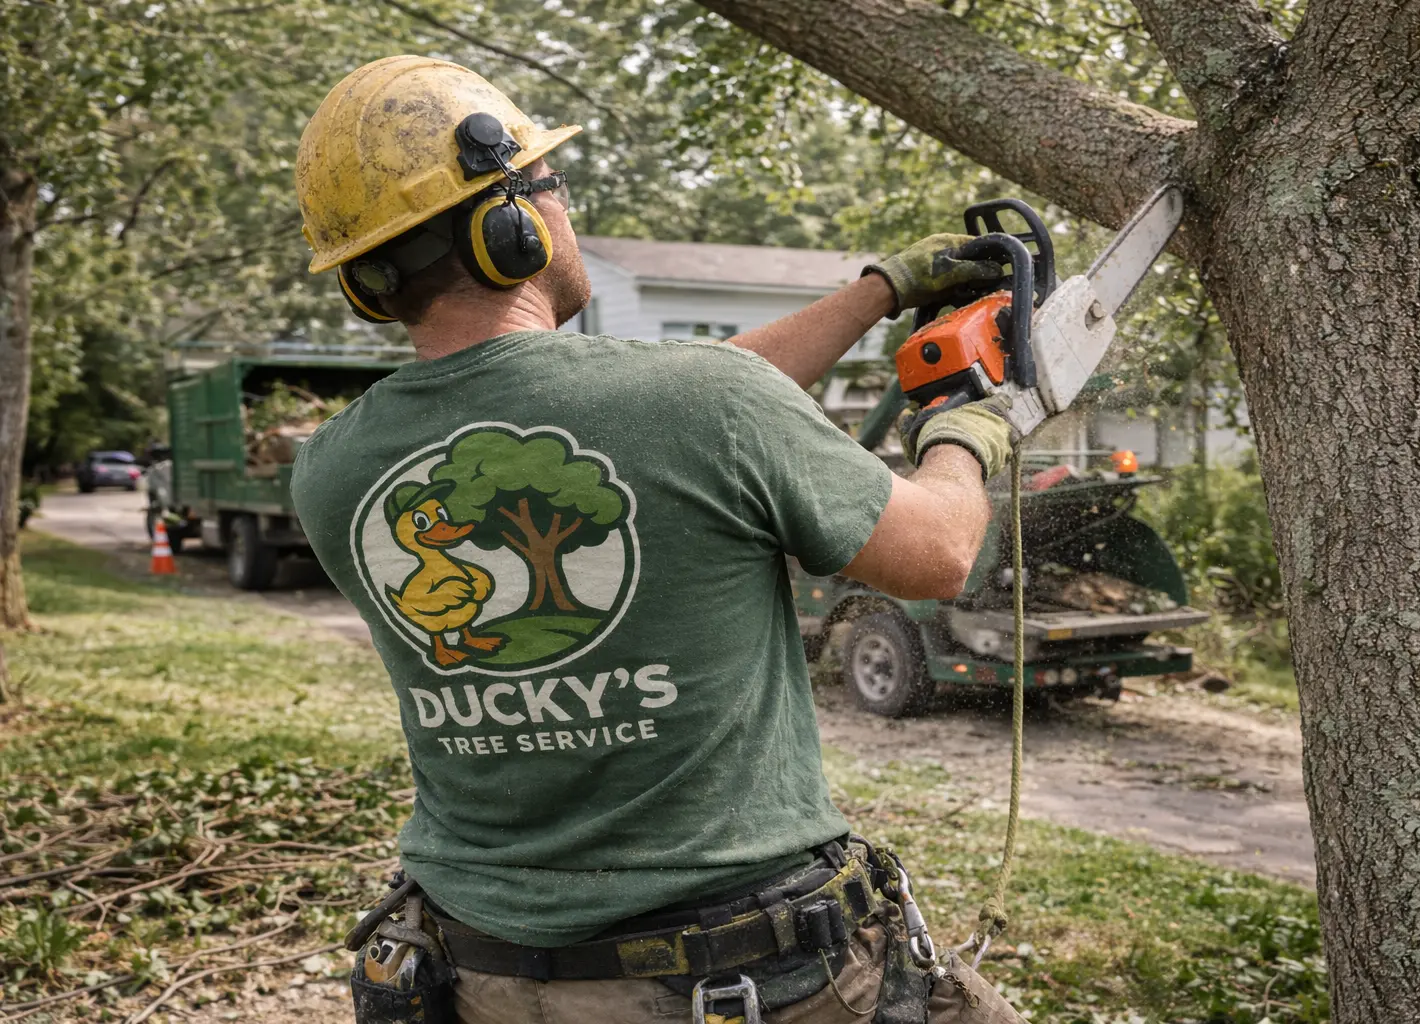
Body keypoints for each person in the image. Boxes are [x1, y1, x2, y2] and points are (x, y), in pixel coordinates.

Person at [291, 54, 1023, 1024]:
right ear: (510, 224)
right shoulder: (703, 407)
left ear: (367, 279)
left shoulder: (332, 468)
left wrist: (876, 293)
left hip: (474, 979)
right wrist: (967, 430)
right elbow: (937, 553)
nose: (566, 209)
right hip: (736, 980)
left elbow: (666, 410)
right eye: (553, 184)